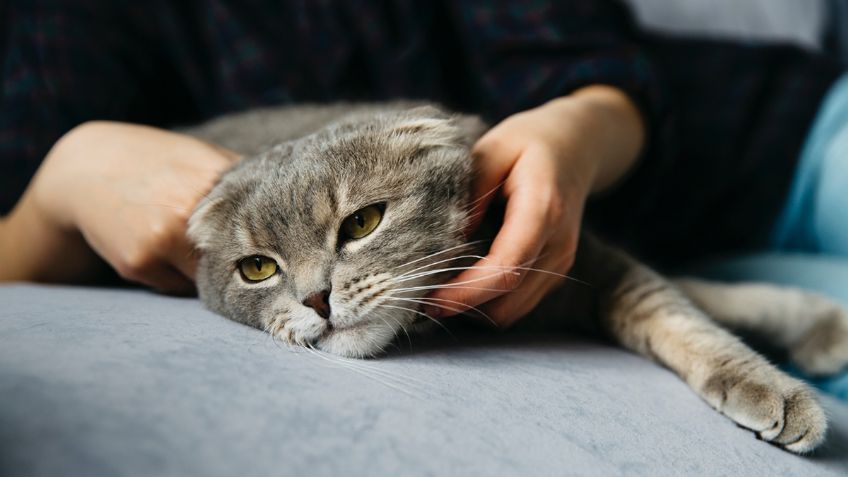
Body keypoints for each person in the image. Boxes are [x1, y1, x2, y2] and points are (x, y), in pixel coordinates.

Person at [0, 1, 844, 333]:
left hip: (768, 141)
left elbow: (596, 75)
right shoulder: (71, 20)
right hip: (672, 263)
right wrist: (59, 189)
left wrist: (573, 134)